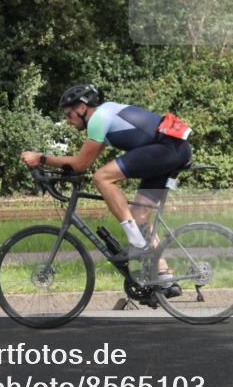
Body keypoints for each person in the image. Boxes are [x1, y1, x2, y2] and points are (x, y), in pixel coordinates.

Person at [20, 83, 192, 291]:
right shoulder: (106, 115)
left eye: (69, 114)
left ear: (82, 108)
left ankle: (136, 243)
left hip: (168, 148)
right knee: (139, 215)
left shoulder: (98, 118)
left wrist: (42, 158)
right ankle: (165, 277)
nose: (68, 121)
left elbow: (81, 164)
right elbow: (81, 164)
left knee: (102, 178)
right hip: (172, 149)